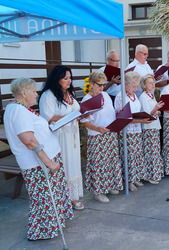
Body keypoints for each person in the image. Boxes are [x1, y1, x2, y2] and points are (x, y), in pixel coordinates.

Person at [4, 78, 73, 240]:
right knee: (44, 199)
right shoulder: (18, 111)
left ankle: (52, 225)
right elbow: (29, 140)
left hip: (44, 159)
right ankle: (42, 231)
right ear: (23, 92)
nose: (36, 95)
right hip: (39, 163)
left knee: (51, 196)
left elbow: (34, 132)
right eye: (33, 91)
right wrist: (49, 162)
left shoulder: (20, 108)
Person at [39, 65, 84, 210]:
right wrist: (70, 117)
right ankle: (62, 199)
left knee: (73, 164)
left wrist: (78, 116)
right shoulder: (48, 95)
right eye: (66, 78)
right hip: (59, 137)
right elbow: (47, 117)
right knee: (64, 165)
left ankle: (73, 197)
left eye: (70, 78)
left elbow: (75, 110)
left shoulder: (69, 94)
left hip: (72, 136)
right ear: (57, 79)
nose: (69, 81)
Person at [80, 71, 123, 203]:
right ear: (92, 84)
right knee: (99, 164)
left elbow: (110, 112)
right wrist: (97, 128)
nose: (102, 87)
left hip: (110, 133)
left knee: (110, 161)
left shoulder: (105, 95)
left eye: (103, 85)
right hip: (97, 136)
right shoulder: (87, 100)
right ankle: (98, 191)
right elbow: (83, 121)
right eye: (99, 85)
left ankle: (109, 185)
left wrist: (118, 113)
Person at [115, 71, 151, 191]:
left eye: (137, 86)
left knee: (136, 154)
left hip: (136, 130)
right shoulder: (121, 96)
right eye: (134, 86)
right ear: (126, 84)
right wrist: (140, 121)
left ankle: (135, 177)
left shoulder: (134, 96)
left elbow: (139, 110)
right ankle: (128, 180)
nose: (136, 89)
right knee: (129, 156)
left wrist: (142, 118)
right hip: (127, 131)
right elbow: (122, 117)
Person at [139, 75, 165, 184]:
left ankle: (156, 173)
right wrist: (156, 109)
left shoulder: (151, 95)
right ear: (144, 85)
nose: (153, 85)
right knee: (150, 151)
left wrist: (157, 111)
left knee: (155, 151)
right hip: (148, 127)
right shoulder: (143, 96)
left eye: (153, 82)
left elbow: (154, 112)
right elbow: (146, 114)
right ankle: (150, 175)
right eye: (150, 83)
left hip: (154, 125)